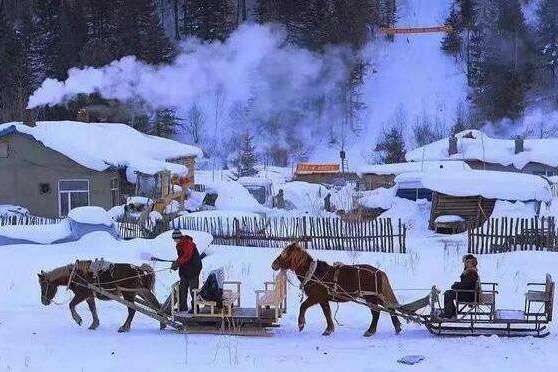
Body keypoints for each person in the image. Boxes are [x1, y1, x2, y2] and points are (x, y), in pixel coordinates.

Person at [170, 229, 203, 313]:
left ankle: (195, 308)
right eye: (174, 239)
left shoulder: (188, 243)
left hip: (194, 269)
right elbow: (181, 257)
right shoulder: (179, 245)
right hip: (185, 270)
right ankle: (182, 307)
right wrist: (176, 263)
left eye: (175, 239)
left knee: (193, 290)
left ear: (179, 237)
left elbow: (187, 256)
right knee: (182, 289)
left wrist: (177, 263)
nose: (174, 241)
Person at [442, 254, 480, 318]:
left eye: (467, 262)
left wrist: (456, 286)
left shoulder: (471, 272)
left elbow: (467, 285)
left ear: (471, 263)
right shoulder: (470, 271)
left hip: (469, 295)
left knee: (448, 294)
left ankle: (449, 314)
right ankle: (452, 313)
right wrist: (457, 284)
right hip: (469, 293)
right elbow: (466, 283)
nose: (465, 264)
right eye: (466, 262)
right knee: (448, 292)